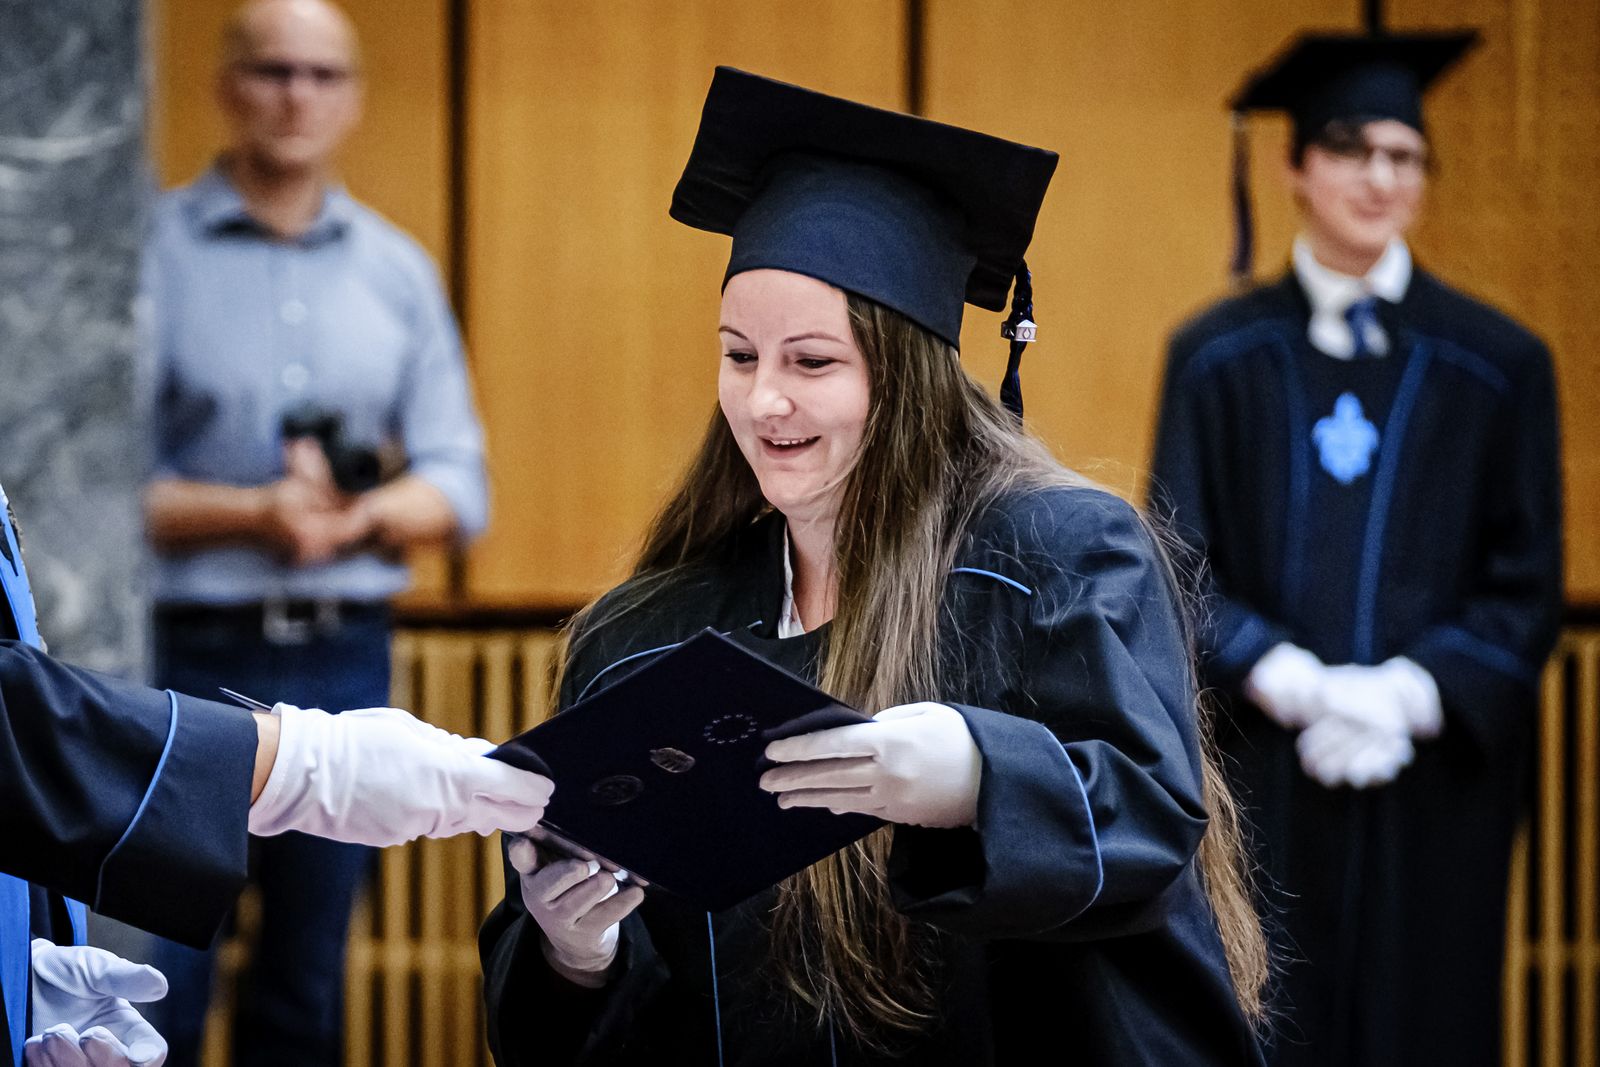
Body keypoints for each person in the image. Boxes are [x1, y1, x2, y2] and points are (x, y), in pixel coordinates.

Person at [480, 67, 1268, 1066]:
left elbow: (1151, 822)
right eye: (739, 355)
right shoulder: (641, 639)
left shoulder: (1056, 562)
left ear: (905, 376)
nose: (763, 400)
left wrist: (978, 776)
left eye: (811, 361)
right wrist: (575, 952)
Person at [1148, 31, 1563, 1066]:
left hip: (1431, 786)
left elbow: (1526, 585)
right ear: (1295, 166)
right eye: (1350, 149)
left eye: (1404, 155)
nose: (1380, 177)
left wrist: (1406, 695)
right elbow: (1175, 566)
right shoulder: (1216, 357)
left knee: (1426, 1020)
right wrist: (1287, 677)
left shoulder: (1496, 364)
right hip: (1266, 772)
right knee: (1264, 1017)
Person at [140, 0, 489, 1062]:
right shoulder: (142, 255)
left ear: (353, 98)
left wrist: (357, 518)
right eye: (273, 70)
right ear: (226, 86)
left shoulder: (397, 271)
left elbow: (460, 485)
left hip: (345, 655)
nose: (297, 96)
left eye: (323, 75)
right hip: (180, 660)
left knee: (306, 980)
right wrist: (254, 513)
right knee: (158, 971)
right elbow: (84, 494)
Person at [0, 482, 553, 1067]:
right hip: (198, 641)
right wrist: (296, 765)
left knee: (305, 988)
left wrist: (15, 969)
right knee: (179, 989)